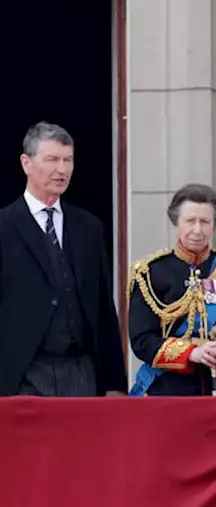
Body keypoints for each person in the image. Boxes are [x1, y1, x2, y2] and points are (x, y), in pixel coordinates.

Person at [0, 122, 127, 397]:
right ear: (26, 163)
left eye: (68, 160)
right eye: (52, 159)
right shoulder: (4, 227)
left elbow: (103, 308)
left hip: (80, 370)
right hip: (21, 372)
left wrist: (114, 382)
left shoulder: (89, 228)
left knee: (84, 441)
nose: (62, 169)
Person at [129, 184, 216, 396]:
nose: (198, 230)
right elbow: (141, 340)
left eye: (205, 222)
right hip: (169, 391)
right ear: (175, 223)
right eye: (190, 221)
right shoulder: (150, 272)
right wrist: (192, 353)